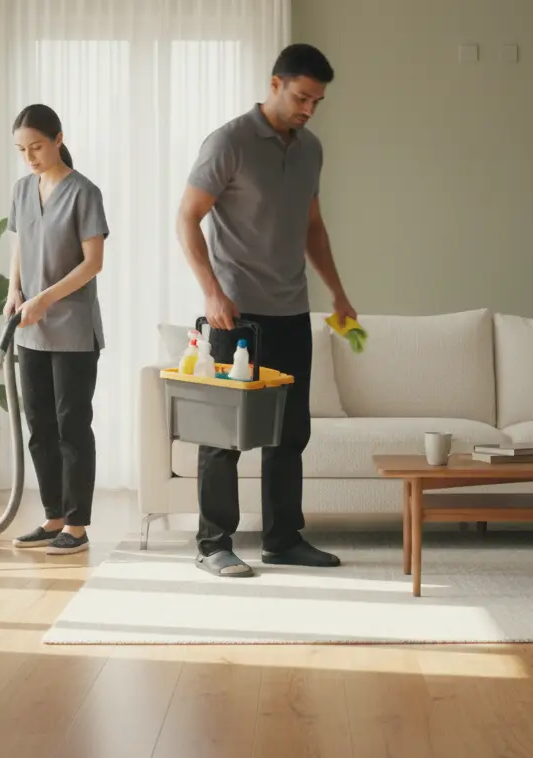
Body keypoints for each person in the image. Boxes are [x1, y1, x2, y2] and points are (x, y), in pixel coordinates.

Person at [177, 43, 356, 577]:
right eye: (302, 97)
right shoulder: (228, 142)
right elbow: (187, 219)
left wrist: (339, 295)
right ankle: (214, 545)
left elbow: (313, 229)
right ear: (275, 84)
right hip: (236, 314)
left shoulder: (310, 150)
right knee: (225, 434)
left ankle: (282, 539)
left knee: (290, 431)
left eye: (317, 101)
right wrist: (211, 293)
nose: (308, 109)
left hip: (292, 310)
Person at [3, 104, 110, 555]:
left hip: (72, 330)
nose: (30, 156)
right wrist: (14, 290)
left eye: (37, 146)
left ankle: (78, 527)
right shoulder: (23, 189)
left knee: (72, 426)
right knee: (39, 426)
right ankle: (52, 518)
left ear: (58, 139)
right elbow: (20, 247)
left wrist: (45, 298)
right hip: (29, 328)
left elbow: (93, 263)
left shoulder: (84, 192)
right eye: (22, 149)